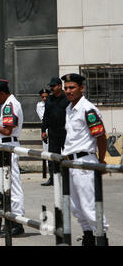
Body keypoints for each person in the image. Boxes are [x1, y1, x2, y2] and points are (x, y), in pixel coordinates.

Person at [61, 73, 109, 246]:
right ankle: (88, 236)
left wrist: (101, 161)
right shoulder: (69, 108)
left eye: (72, 87)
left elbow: (101, 137)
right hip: (71, 162)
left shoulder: (87, 109)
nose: (68, 91)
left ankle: (101, 238)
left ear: (82, 88)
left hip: (85, 162)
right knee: (76, 207)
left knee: (90, 206)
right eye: (66, 88)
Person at [0, 79, 25, 236]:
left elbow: (8, 131)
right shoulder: (7, 104)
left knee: (13, 186)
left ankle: (17, 221)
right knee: (5, 185)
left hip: (9, 146)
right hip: (4, 147)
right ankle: (9, 219)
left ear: (2, 93)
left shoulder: (10, 105)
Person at [41, 77, 70, 187]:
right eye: (51, 86)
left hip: (65, 133)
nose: (51, 88)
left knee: (67, 156)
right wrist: (43, 130)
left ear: (59, 86)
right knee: (53, 157)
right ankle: (53, 178)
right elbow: (46, 116)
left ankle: (69, 177)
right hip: (53, 133)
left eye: (53, 86)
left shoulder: (67, 98)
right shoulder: (49, 99)